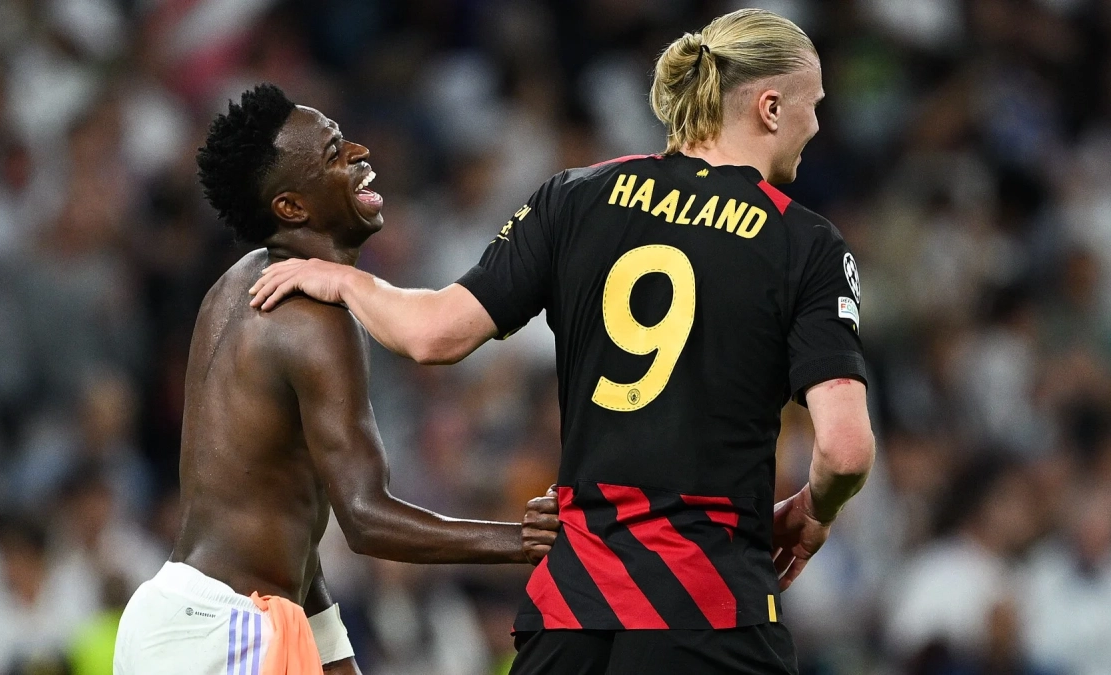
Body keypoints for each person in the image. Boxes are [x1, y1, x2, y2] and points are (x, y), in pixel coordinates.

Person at [250, 8, 876, 674]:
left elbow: (432, 332)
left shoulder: (574, 196)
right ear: (772, 107)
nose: (817, 126)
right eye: (814, 106)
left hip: (573, 608)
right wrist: (813, 509)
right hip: (708, 604)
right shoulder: (803, 244)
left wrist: (344, 282)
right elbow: (844, 448)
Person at [112, 84, 560, 675]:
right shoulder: (313, 317)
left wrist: (334, 657)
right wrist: (523, 539)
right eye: (331, 153)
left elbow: (289, 515)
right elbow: (366, 518)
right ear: (292, 208)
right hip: (228, 629)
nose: (358, 150)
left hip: (190, 617)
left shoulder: (237, 286)